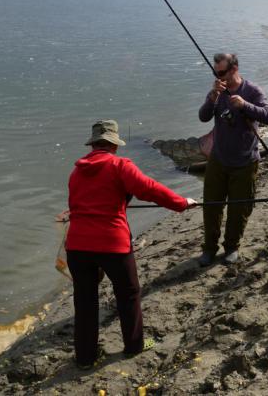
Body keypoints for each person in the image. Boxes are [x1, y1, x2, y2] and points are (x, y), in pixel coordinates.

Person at [66, 120, 196, 369]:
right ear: (114, 145)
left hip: (78, 246)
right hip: (112, 244)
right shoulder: (120, 165)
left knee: (84, 300)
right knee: (128, 294)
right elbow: (149, 189)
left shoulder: (76, 171)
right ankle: (134, 346)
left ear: (93, 145)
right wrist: (181, 202)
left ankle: (85, 357)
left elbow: (77, 204)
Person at [197, 53, 268, 266]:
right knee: (211, 207)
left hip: (245, 162)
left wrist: (245, 105)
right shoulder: (217, 92)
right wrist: (212, 98)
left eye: (221, 73)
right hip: (218, 160)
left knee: (239, 209)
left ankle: (231, 247)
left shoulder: (251, 91)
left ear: (234, 69)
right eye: (215, 73)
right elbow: (203, 117)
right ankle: (209, 248)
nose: (218, 77)